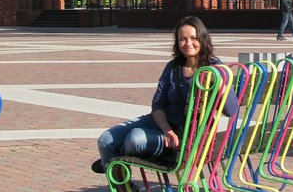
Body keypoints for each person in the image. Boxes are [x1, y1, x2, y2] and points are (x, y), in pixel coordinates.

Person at [92, 16, 238, 174]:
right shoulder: (173, 67)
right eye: (182, 39)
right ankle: (118, 175)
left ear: (203, 38)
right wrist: (166, 130)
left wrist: (221, 85)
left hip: (186, 136)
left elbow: (231, 110)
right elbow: (158, 104)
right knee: (106, 140)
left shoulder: (215, 68)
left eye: (193, 38)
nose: (188, 43)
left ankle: (111, 162)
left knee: (134, 140)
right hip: (160, 124)